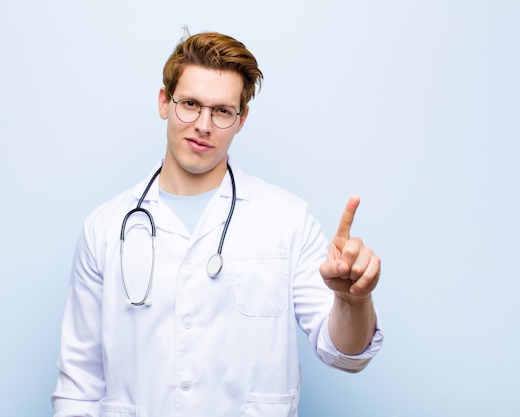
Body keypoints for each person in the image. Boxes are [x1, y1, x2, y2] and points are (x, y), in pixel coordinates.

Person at [51, 30, 384, 417]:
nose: (203, 125)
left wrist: (352, 300)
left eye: (222, 110)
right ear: (164, 102)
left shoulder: (287, 220)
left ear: (241, 119)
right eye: (190, 104)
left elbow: (344, 353)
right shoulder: (105, 228)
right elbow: (78, 387)